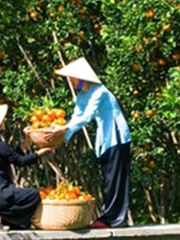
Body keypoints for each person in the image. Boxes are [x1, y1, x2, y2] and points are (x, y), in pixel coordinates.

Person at [51, 57, 132, 229]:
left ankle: (115, 219)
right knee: (108, 178)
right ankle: (110, 216)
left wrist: (62, 131)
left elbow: (88, 116)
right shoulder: (83, 95)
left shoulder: (100, 91)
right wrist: (63, 134)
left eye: (72, 78)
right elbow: (77, 116)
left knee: (115, 178)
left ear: (81, 78)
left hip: (116, 136)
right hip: (106, 139)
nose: (70, 82)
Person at [0, 104, 53, 230]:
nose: (3, 123)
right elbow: (20, 161)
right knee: (33, 194)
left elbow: (13, 156)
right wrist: (39, 153)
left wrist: (26, 140)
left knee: (22, 201)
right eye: (1, 122)